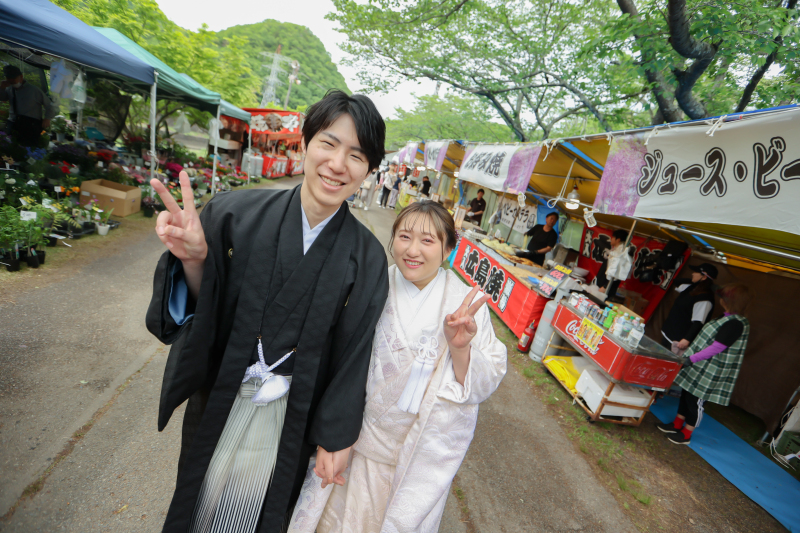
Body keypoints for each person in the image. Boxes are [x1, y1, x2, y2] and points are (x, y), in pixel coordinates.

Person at [145, 90, 390, 533]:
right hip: (223, 397)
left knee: (262, 515)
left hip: (291, 417)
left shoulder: (367, 258)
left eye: (357, 155)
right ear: (305, 143)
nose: (338, 164)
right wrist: (195, 260)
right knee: (199, 504)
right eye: (328, 143)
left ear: (369, 170)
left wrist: (336, 433)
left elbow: (357, 350)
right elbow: (204, 310)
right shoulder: (234, 215)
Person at [288, 201, 507, 533]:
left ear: (449, 248)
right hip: (352, 445)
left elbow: (481, 383)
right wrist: (331, 434)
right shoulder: (373, 285)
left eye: (428, 241)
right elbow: (338, 362)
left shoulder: (464, 303)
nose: (413, 250)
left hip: (412, 459)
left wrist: (459, 349)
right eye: (404, 236)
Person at [658, 283, 750, 445]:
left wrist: (690, 359)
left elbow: (717, 347)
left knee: (695, 401)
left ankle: (687, 433)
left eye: (722, 297)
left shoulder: (736, 323)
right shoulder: (725, 317)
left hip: (709, 370)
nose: (719, 299)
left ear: (728, 301)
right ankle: (676, 424)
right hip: (699, 366)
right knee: (686, 394)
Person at [660, 263, 718, 351]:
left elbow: (698, 322)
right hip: (669, 332)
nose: (692, 273)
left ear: (704, 277)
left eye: (696, 272)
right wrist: (695, 280)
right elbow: (677, 282)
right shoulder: (692, 288)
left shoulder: (704, 297)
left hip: (679, 341)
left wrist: (687, 339)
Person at [0, 65, 56, 146]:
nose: (12, 83)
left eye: (14, 81)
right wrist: (1, 88)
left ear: (21, 77)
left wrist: (47, 118)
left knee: (28, 148)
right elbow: (3, 98)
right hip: (13, 122)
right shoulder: (9, 88)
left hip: (30, 125)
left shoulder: (34, 90)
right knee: (11, 147)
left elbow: (49, 105)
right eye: (10, 81)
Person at [595, 229, 631, 298]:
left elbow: (615, 274)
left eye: (613, 237)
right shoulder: (616, 251)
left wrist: (605, 286)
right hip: (601, 284)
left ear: (618, 240)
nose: (611, 239)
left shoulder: (621, 254)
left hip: (606, 288)